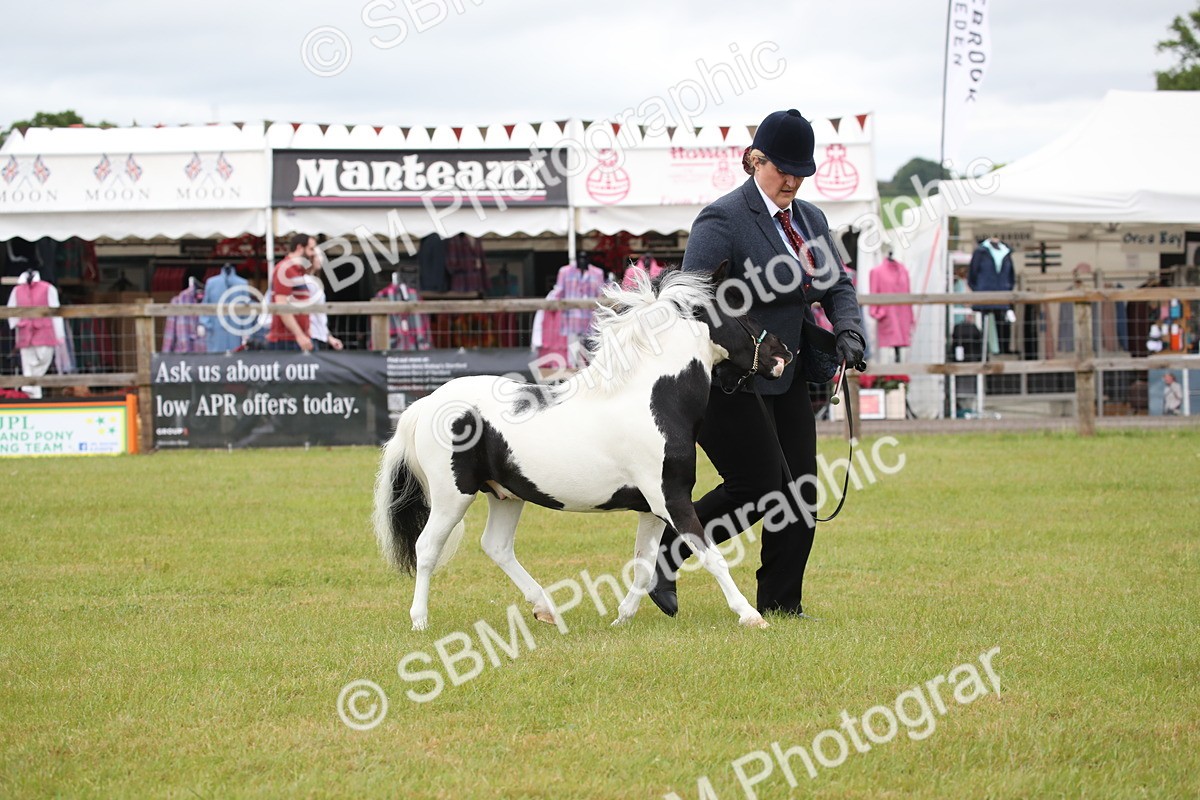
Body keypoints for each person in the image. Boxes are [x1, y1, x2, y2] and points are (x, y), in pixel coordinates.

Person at [649, 109, 866, 620]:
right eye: (781, 169)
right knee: (760, 485)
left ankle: (781, 602)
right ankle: (669, 551)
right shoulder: (721, 219)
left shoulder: (811, 220)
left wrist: (850, 331)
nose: (791, 180)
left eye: (801, 172)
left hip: (785, 375)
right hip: (727, 378)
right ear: (753, 160)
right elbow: (691, 298)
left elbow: (837, 286)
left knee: (800, 492)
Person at [266, 234, 315, 351]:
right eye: (311, 249)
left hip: (294, 338)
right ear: (299, 248)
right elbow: (281, 306)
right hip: (287, 340)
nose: (313, 254)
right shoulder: (285, 269)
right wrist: (299, 335)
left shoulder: (297, 271)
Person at [303, 247, 343, 351]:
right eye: (318, 255)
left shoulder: (313, 280)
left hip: (317, 335)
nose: (321, 259)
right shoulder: (306, 281)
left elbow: (318, 315)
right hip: (309, 336)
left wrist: (329, 337)